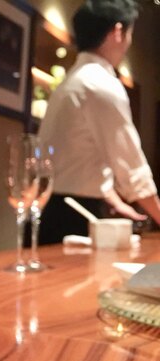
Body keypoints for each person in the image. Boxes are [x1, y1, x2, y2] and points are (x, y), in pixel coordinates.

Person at [38, 0, 160, 245]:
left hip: (54, 209)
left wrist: (111, 196)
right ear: (117, 31)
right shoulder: (100, 84)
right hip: (75, 216)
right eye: (130, 33)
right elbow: (132, 168)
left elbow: (77, 159)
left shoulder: (71, 82)